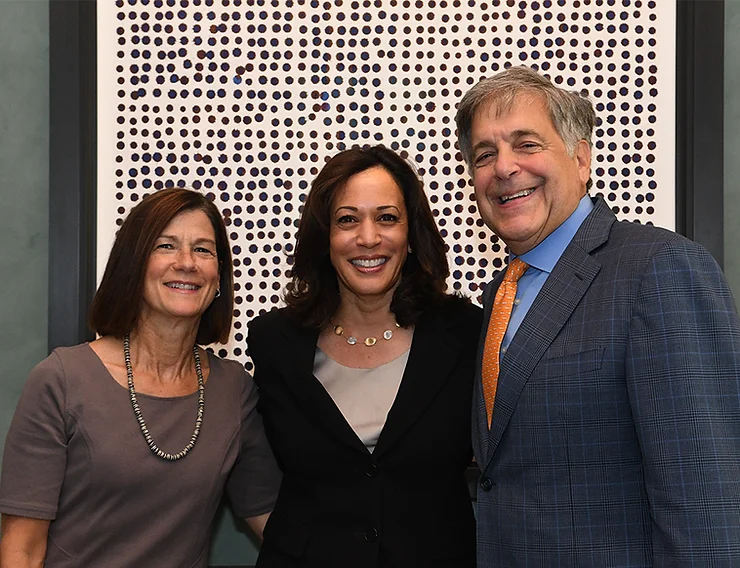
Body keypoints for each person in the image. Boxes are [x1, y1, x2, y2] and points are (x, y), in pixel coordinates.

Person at [456, 65, 740, 566]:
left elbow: (704, 499)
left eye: (526, 144)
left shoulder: (658, 268)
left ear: (581, 158)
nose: (502, 168)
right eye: (484, 154)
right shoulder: (501, 294)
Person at [0, 188, 281, 567]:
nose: (186, 263)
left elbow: (277, 524)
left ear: (219, 280)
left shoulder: (234, 390)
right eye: (165, 246)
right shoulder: (61, 380)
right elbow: (22, 549)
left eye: (203, 249)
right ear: (134, 266)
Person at [247, 145, 482, 568]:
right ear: (326, 239)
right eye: (347, 220)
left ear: (411, 236)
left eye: (387, 218)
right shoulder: (273, 341)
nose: (368, 237)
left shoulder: (467, 334)